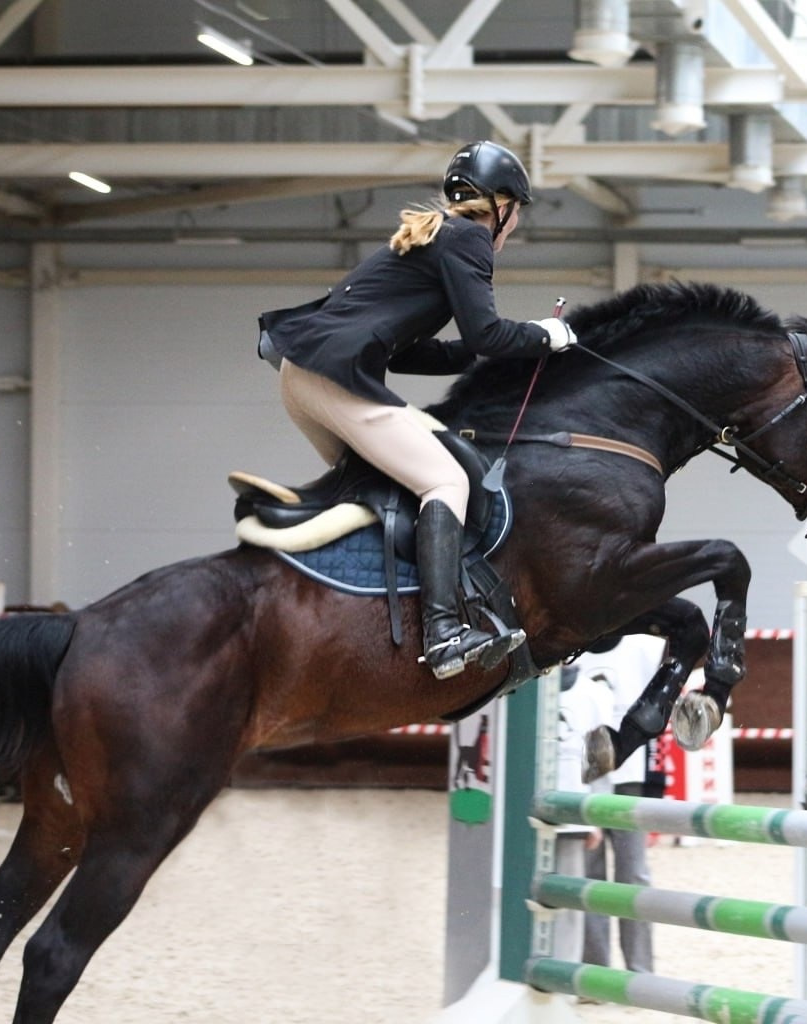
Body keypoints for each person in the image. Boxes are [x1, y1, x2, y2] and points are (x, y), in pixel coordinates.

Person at [256, 140, 577, 680]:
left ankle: (363, 605)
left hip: (302, 374)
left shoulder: (435, 235)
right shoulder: (469, 238)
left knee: (386, 488)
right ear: (501, 207)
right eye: (517, 212)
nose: (515, 224)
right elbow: (489, 332)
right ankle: (444, 631)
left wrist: (471, 353)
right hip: (331, 376)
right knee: (445, 481)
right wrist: (545, 336)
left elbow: (406, 350)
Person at [572, 634, 668, 975]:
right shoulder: (572, 652)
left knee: (633, 876)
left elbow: (659, 717)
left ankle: (640, 971)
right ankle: (595, 970)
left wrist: (654, 786)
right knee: (589, 876)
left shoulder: (643, 648)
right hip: (584, 781)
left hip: (630, 782)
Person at [552, 664, 613, 963]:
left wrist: (595, 816)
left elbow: (600, 763)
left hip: (574, 813)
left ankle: (564, 971)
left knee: (568, 901)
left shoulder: (593, 694)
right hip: (530, 808)